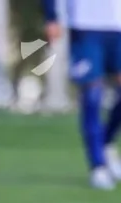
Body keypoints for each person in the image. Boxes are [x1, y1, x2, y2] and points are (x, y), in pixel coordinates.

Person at [42, 0, 121, 189]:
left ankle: (105, 140)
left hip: (117, 24)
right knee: (92, 94)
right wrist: (51, 16)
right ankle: (98, 166)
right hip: (85, 25)